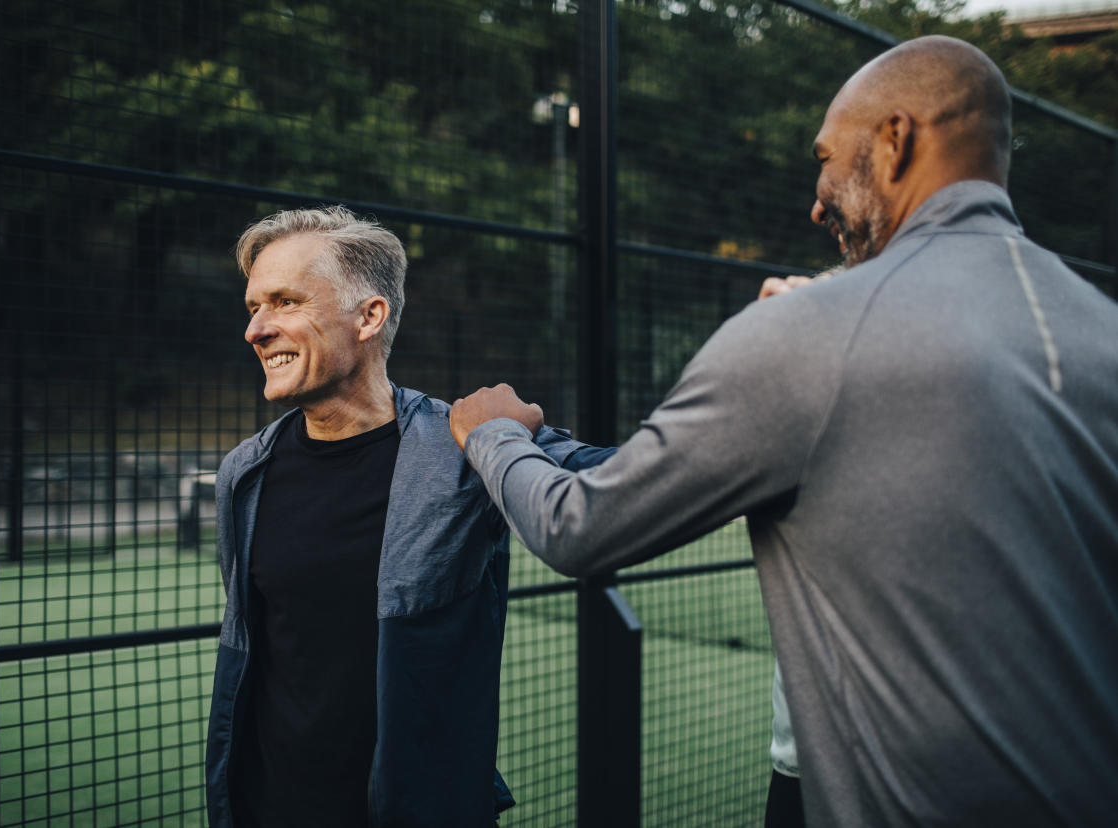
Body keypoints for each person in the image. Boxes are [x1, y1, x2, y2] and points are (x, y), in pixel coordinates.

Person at [449, 35, 1118, 827]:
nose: (815, 199)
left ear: (897, 140)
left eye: (825, 159)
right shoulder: (1100, 326)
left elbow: (581, 526)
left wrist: (494, 436)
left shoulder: (809, 336)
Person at [204, 205, 612, 827]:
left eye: (284, 302)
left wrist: (500, 438)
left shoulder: (462, 444)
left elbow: (632, 483)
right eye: (253, 307)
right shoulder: (244, 472)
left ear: (369, 317)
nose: (256, 330)